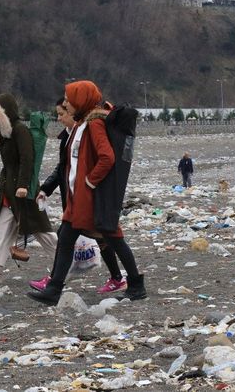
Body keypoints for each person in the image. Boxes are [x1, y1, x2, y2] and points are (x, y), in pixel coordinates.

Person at [27, 80, 146, 306]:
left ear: (81, 100)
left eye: (69, 99)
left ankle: (137, 285)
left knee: (113, 238)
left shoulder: (94, 124)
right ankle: (53, 290)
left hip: (89, 198)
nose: (66, 103)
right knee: (66, 239)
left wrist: (90, 182)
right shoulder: (82, 123)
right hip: (77, 197)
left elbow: (107, 157)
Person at [32, 100, 126, 295]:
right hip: (76, 197)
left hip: (85, 198)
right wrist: (46, 189)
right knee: (82, 237)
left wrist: (89, 183)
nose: (59, 118)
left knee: (101, 237)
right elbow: (63, 168)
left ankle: (128, 279)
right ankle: (56, 284)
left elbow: (103, 159)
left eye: (61, 113)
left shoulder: (85, 131)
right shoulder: (69, 135)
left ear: (72, 111)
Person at [0, 94, 58, 287]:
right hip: (9, 192)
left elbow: (27, 159)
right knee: (2, 230)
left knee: (43, 232)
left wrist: (23, 185)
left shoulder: (20, 131)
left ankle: (65, 263)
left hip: (23, 192)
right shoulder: (5, 134)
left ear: (4, 113)